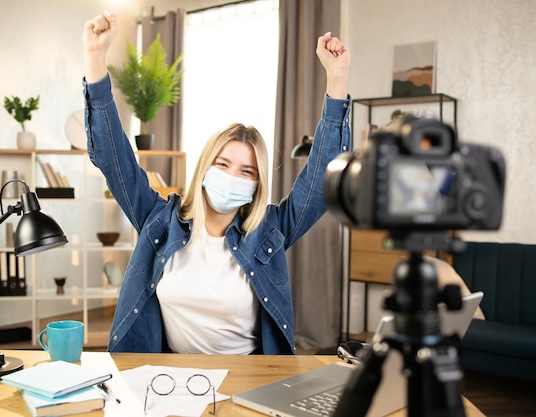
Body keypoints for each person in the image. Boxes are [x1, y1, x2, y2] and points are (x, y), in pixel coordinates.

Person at [82, 10, 351, 355]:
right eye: (222, 164)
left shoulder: (268, 231)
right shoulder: (158, 220)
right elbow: (112, 156)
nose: (231, 177)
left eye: (246, 171)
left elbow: (320, 181)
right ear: (205, 167)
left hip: (251, 376)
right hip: (171, 377)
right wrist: (95, 58)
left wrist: (338, 78)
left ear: (257, 184)